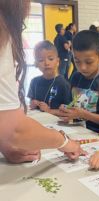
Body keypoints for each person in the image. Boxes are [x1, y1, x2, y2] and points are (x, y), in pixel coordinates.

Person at [0, 0, 83, 163]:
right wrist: (64, 141)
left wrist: (4, 144)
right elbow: (14, 129)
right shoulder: (3, 30)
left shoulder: (63, 83)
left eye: (50, 58)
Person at [59, 30, 99, 133]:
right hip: (77, 133)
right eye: (77, 61)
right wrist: (66, 109)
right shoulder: (75, 77)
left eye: (89, 62)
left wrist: (83, 114)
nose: (82, 67)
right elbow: (72, 104)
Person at [28, 40, 72, 116]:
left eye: (51, 59)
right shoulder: (34, 81)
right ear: (36, 63)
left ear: (57, 61)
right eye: (41, 60)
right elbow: (31, 102)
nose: (46, 63)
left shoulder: (63, 84)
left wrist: (49, 110)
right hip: (37, 121)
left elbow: (69, 111)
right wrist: (32, 104)